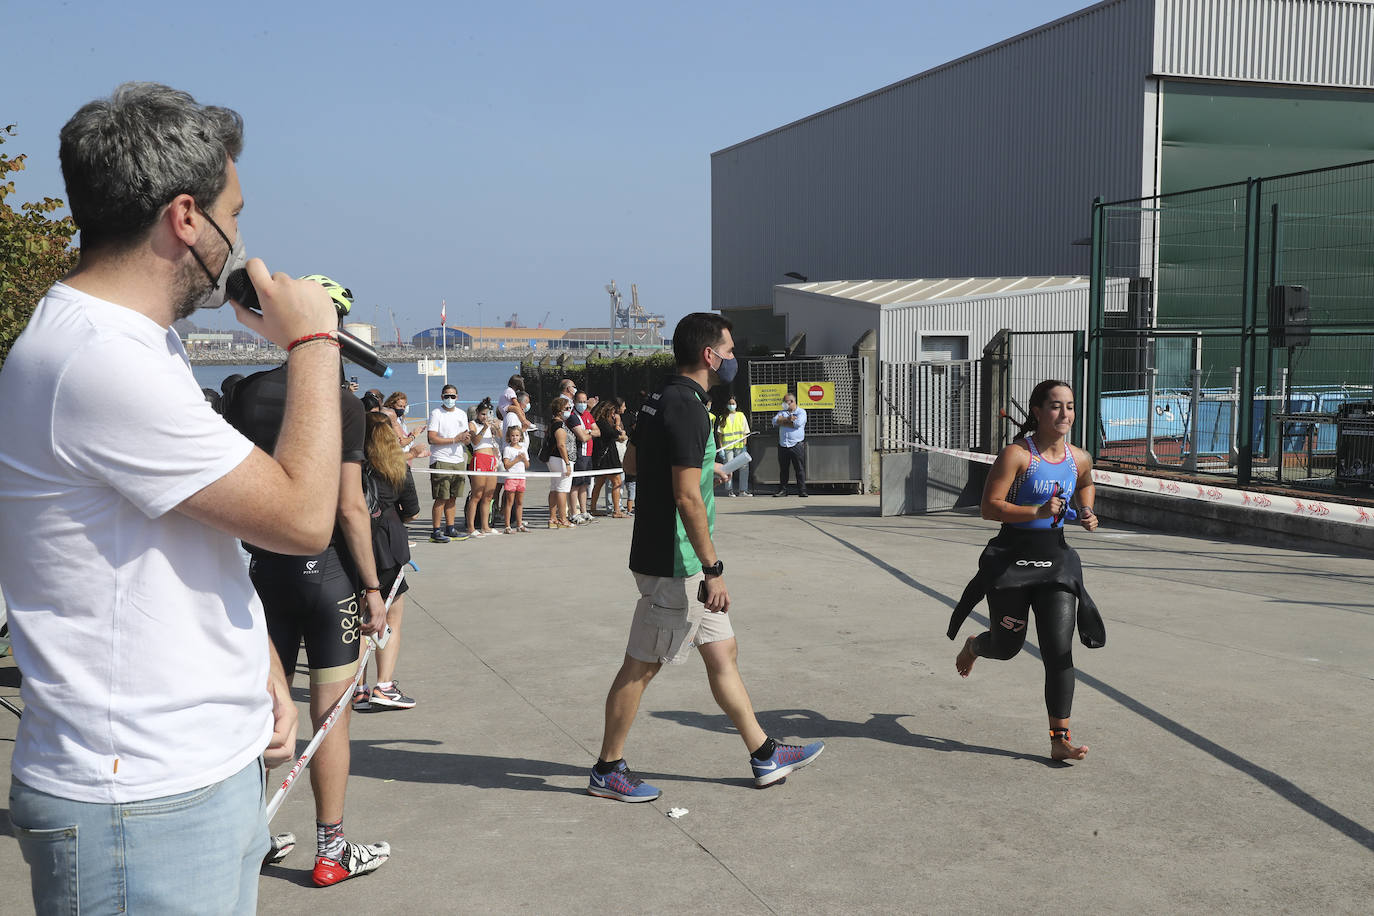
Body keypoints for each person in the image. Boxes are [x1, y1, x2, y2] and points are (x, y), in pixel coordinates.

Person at [0, 82, 340, 912]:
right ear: (185, 218)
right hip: (140, 803)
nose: (239, 242)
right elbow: (302, 518)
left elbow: (196, 526)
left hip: (174, 778)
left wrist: (254, 663)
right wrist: (314, 339)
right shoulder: (99, 362)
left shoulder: (127, 346)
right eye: (235, 214)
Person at [588, 312, 824, 803]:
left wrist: (702, 466)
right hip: (677, 561)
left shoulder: (659, 397)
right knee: (641, 665)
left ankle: (764, 754)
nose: (734, 358)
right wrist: (713, 569)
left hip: (671, 553)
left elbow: (634, 463)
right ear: (709, 355)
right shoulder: (691, 409)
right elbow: (685, 498)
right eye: (730, 350)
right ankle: (608, 769)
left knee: (722, 653)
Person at [226, 276, 392, 887]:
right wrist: (374, 589)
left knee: (263, 711)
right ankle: (331, 850)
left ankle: (253, 837)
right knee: (330, 720)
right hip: (326, 574)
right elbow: (350, 507)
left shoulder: (248, 394)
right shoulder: (344, 403)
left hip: (261, 571)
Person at [949, 379, 1104, 763]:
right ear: (1037, 411)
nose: (1064, 413)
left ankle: (1059, 737)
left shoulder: (1078, 457)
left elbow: (1085, 483)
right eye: (1055, 406)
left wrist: (1085, 510)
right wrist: (1036, 512)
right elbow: (989, 507)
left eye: (1069, 406)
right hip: (1012, 560)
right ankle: (975, 646)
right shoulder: (1017, 455)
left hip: (1057, 562)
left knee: (1059, 649)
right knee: (1007, 647)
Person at [354, 412, 419, 711]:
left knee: (358, 620)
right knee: (391, 617)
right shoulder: (398, 468)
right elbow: (413, 511)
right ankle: (384, 685)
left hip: (355, 547)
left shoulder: (351, 469)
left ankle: (358, 689)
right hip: (388, 549)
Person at [427, 383, 471, 542]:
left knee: (453, 497)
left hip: (458, 459)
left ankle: (450, 528)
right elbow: (432, 438)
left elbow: (465, 439)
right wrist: (454, 439)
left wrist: (466, 439)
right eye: (447, 396)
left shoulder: (461, 414)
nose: (450, 399)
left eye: (453, 396)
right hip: (441, 459)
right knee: (441, 497)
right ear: (441, 397)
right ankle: (436, 530)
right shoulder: (436, 413)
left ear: (457, 397)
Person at [465, 397, 503, 538]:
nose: (485, 417)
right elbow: (474, 440)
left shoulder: (491, 425)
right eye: (483, 414)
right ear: (478, 414)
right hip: (479, 459)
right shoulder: (472, 424)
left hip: (491, 460)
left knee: (488, 495)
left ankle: (485, 526)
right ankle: (471, 527)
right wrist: (485, 427)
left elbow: (501, 436)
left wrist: (496, 427)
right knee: (477, 495)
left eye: (488, 414)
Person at [589, 398, 627, 517]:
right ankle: (616, 510)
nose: (614, 414)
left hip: (606, 454)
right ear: (608, 411)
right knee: (616, 481)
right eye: (613, 411)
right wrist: (617, 426)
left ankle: (594, 508)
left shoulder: (601, 422)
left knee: (600, 482)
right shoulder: (602, 422)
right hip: (606, 456)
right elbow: (614, 434)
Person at [542, 396, 575, 529]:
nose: (569, 410)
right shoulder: (559, 425)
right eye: (567, 408)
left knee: (555, 488)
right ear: (560, 410)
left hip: (553, 459)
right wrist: (567, 463)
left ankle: (553, 518)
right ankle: (562, 518)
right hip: (560, 460)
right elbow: (561, 445)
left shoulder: (552, 423)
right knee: (562, 489)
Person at [568, 390, 599, 523]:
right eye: (580, 401)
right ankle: (574, 513)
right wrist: (587, 434)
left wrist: (589, 431)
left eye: (585, 401)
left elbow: (597, 431)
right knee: (576, 484)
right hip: (579, 454)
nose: (583, 404)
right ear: (574, 402)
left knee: (585, 484)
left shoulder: (588, 414)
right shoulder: (573, 416)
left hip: (589, 454)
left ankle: (584, 511)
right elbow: (581, 437)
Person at [772, 392, 808, 497]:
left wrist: (782, 422)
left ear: (792, 402)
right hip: (783, 444)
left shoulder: (801, 412)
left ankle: (802, 490)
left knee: (799, 468)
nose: (784, 404)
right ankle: (783, 490)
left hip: (797, 444)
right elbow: (774, 421)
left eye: (785, 401)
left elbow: (797, 424)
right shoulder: (782, 412)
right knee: (783, 469)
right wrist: (788, 419)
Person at [719, 395, 751, 496]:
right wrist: (721, 448)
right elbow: (720, 434)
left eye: (733, 403)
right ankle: (729, 490)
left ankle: (743, 490)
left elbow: (745, 431)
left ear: (736, 405)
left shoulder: (741, 415)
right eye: (730, 404)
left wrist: (744, 445)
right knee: (729, 468)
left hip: (740, 446)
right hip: (727, 447)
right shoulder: (723, 417)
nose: (731, 405)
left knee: (744, 467)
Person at [502, 424, 531, 533]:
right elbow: (507, 465)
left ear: (520, 436)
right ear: (509, 437)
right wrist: (517, 459)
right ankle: (507, 526)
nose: (515, 437)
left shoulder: (523, 449)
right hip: (511, 477)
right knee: (509, 502)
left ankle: (519, 524)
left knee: (519, 502)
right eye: (513, 435)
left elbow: (527, 465)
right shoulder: (507, 449)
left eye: (517, 435)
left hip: (521, 477)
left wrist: (524, 459)